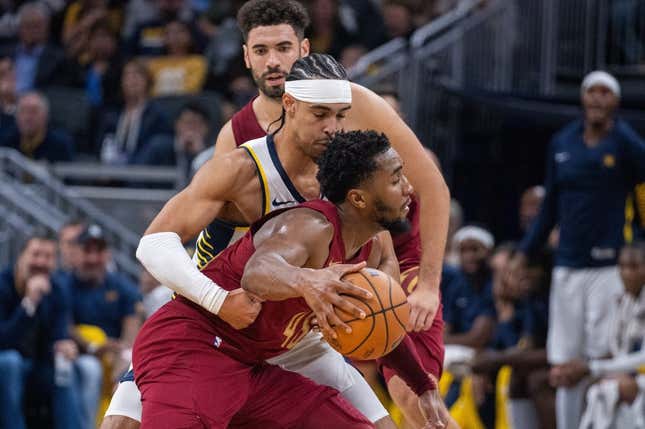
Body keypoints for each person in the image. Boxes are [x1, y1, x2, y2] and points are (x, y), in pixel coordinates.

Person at [102, 0, 451, 425]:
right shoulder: (240, 160)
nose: (334, 127)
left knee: (383, 421)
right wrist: (218, 299)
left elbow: (423, 196)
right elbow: (161, 244)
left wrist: (419, 357)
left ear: (303, 50)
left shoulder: (345, 163)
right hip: (215, 319)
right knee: (121, 423)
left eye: (340, 117)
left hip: (290, 332)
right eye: (262, 50)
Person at [133, 130, 445, 428]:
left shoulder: (369, 247)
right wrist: (307, 281)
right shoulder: (310, 225)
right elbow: (258, 272)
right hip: (192, 348)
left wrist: (422, 386)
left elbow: (379, 317)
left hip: (254, 366)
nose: (408, 188)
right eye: (395, 180)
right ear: (358, 199)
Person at [508, 70, 645, 429]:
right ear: (583, 98)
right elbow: (550, 205)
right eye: (592, 92)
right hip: (567, 265)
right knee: (563, 365)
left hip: (608, 265)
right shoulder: (562, 142)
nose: (598, 99)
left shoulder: (627, 143)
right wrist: (525, 252)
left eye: (605, 93)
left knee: (600, 357)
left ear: (615, 101)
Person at [554, 242, 645, 429]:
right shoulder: (624, 301)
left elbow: (643, 358)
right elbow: (617, 350)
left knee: (611, 388)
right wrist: (576, 366)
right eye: (622, 266)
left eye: (634, 267)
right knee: (590, 386)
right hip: (630, 374)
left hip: (638, 377)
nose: (626, 273)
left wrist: (594, 367)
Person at [0, 230, 81, 429]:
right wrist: (29, 304)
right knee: (11, 362)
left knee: (66, 367)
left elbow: (58, 336)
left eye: (48, 257)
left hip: (39, 364)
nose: (41, 262)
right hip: (8, 362)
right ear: (22, 256)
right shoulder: (3, 284)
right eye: (36, 255)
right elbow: (3, 340)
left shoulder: (57, 289)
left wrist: (64, 347)